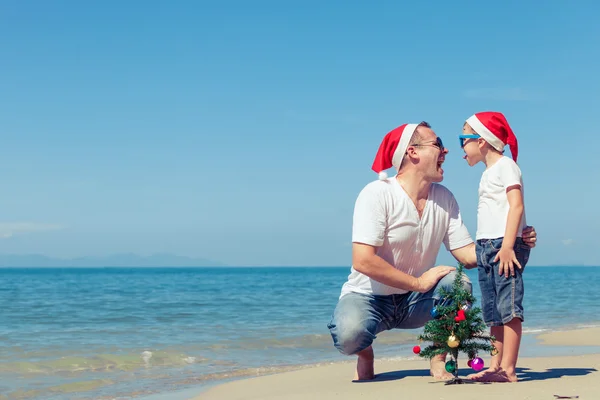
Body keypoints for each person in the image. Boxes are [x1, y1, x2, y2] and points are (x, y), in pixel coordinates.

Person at [326, 121, 537, 382]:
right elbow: (363, 261)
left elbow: (470, 255)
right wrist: (417, 281)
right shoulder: (377, 193)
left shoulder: (444, 198)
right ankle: (365, 353)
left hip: (416, 301)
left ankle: (438, 356)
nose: (446, 151)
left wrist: (513, 239)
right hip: (369, 298)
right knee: (348, 335)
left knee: (457, 283)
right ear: (412, 152)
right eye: (438, 144)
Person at [459, 112, 530, 383]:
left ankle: (509, 369)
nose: (461, 147)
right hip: (486, 245)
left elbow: (517, 205)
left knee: (509, 306)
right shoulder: (488, 173)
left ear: (483, 141)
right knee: (493, 311)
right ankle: (495, 364)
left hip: (504, 244)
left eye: (464, 138)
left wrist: (510, 245)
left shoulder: (507, 166)